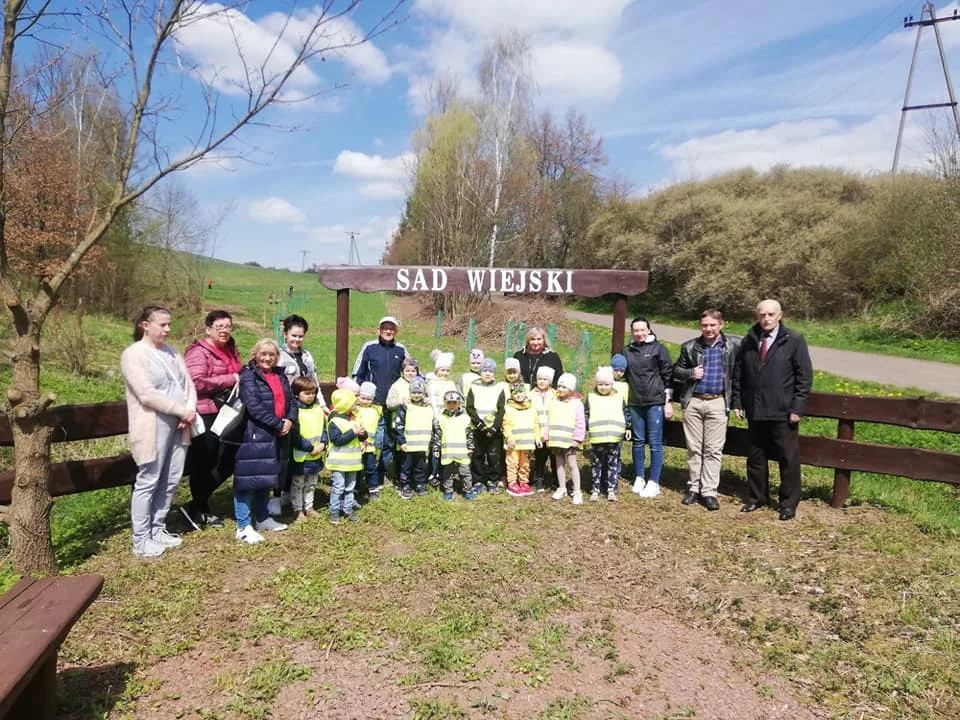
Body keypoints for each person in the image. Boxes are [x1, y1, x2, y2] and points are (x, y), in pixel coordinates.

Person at [121, 305, 198, 557]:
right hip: (153, 423)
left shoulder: (173, 352)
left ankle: (158, 527)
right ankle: (141, 538)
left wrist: (189, 410)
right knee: (150, 479)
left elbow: (188, 385)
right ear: (146, 325)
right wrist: (180, 410)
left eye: (169, 324)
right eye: (162, 324)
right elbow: (145, 393)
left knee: (171, 477)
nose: (168, 329)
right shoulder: (134, 354)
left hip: (180, 423)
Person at [732, 299, 813, 521]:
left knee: (788, 459)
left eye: (770, 314)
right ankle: (757, 497)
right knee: (756, 457)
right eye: (762, 315)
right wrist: (738, 402)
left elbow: (804, 377)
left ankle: (788, 503)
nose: (766, 319)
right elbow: (739, 374)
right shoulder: (749, 340)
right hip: (755, 410)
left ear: (780, 316)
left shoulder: (793, 340)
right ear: (757, 316)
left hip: (783, 411)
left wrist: (797, 407)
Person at [672, 309, 741, 511]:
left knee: (713, 449)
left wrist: (737, 402)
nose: (708, 329)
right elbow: (676, 371)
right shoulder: (690, 347)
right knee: (694, 448)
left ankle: (709, 491)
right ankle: (694, 488)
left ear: (721, 324)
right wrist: (690, 373)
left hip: (718, 401)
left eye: (712, 325)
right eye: (704, 325)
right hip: (694, 401)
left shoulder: (734, 345)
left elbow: (739, 375)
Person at [182, 309, 242, 530]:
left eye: (228, 326)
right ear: (208, 329)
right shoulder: (198, 352)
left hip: (227, 412)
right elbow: (194, 382)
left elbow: (239, 374)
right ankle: (199, 508)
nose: (225, 331)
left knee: (227, 460)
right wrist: (230, 379)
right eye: (220, 327)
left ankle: (198, 502)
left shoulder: (231, 349)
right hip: (205, 411)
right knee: (204, 462)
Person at [233, 339, 293, 544]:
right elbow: (254, 406)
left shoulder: (280, 375)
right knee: (246, 479)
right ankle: (243, 525)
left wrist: (289, 420)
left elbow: (291, 401)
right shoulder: (249, 376)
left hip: (276, 434)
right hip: (255, 435)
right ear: (255, 355)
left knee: (265, 478)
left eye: (272, 354)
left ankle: (262, 518)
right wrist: (278, 423)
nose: (268, 358)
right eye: (263, 354)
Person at [272, 313, 325, 515]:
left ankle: (290, 492)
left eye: (300, 336)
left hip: (305, 411)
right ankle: (277, 495)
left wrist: (322, 405)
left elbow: (315, 382)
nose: (297, 340)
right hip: (284, 411)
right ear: (285, 334)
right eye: (293, 335)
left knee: (297, 454)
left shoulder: (307, 356)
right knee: (282, 454)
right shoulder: (278, 355)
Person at [624, 317, 674, 499]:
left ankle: (654, 481)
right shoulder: (627, 350)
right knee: (638, 441)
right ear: (632, 332)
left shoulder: (659, 349)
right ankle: (639, 477)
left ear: (648, 330)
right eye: (636, 330)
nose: (639, 333)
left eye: (642, 330)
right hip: (635, 402)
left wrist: (668, 402)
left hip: (655, 402)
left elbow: (668, 376)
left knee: (655, 442)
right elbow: (623, 375)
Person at [585, 366, 630, 502]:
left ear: (611, 384)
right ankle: (595, 489)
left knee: (613, 463)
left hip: (614, 438)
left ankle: (611, 488)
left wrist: (628, 427)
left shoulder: (618, 397)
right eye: (600, 384)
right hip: (597, 438)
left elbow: (625, 413)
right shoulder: (591, 397)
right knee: (597, 464)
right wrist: (587, 426)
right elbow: (586, 414)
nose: (603, 387)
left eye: (606, 384)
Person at [289, 376, 327, 522]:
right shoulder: (295, 412)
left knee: (311, 483)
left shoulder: (318, 410)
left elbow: (324, 429)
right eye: (306, 393)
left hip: (316, 455)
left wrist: (323, 442)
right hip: (301, 455)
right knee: (298, 484)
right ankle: (297, 509)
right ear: (297, 394)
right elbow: (295, 435)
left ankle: (309, 507)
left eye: (313, 393)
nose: (311, 396)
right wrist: (309, 447)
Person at [326, 385, 367, 524]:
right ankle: (334, 511)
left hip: (353, 462)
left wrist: (362, 434)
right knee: (338, 487)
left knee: (350, 487)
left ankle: (348, 509)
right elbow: (337, 440)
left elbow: (361, 438)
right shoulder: (334, 422)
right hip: (339, 462)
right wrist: (353, 433)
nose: (356, 405)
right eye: (353, 403)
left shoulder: (353, 420)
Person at [466, 358, 506, 493]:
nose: (487, 374)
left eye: (490, 371)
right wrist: (480, 425)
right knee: (477, 455)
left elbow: (501, 409)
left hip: (494, 429)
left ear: (494, 373)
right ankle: (477, 480)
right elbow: (470, 407)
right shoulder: (474, 387)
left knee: (494, 456)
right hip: (478, 428)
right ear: (480, 373)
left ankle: (492, 479)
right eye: (484, 371)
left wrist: (495, 427)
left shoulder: (499, 388)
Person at [547, 373, 586, 505]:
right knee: (559, 464)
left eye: (564, 387)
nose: (561, 389)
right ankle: (562, 487)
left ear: (571, 389)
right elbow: (548, 420)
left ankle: (577, 491)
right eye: (559, 386)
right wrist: (547, 436)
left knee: (572, 464)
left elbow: (581, 423)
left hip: (569, 440)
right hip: (556, 440)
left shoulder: (577, 404)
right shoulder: (553, 402)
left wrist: (578, 438)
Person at [352, 316, 407, 406]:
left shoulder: (401, 349)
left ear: (396, 332)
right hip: (372, 401)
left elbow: (411, 370)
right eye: (385, 328)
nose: (388, 331)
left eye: (392, 329)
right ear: (379, 330)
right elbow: (358, 373)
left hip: (394, 401)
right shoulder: (369, 347)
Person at [432, 390, 477, 501]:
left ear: (459, 404)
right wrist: (436, 448)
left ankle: (468, 490)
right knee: (447, 473)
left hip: (463, 452)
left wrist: (471, 447)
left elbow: (469, 434)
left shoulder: (466, 418)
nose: (451, 405)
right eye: (449, 403)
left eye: (454, 403)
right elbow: (437, 435)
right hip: (447, 452)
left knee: (465, 472)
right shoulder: (440, 418)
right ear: (445, 404)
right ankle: (448, 491)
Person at [394, 376, 434, 499]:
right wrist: (402, 442)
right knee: (406, 466)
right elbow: (399, 425)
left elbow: (432, 423)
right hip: (408, 445)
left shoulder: (427, 407)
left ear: (424, 393)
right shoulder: (405, 407)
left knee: (420, 466)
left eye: (419, 392)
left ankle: (420, 484)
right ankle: (404, 485)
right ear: (410, 393)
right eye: (414, 392)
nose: (416, 395)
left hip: (421, 445)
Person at [503, 383, 539, 497]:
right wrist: (509, 437)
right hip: (513, 442)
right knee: (512, 463)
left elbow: (536, 423)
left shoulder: (531, 407)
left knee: (525, 463)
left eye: (521, 392)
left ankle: (524, 482)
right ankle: (512, 483)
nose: (519, 395)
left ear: (525, 393)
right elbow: (506, 424)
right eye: (515, 393)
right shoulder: (508, 408)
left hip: (527, 442)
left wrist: (537, 437)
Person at [530, 366, 558, 493]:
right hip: (538, 431)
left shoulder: (555, 394)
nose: (542, 381)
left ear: (550, 381)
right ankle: (539, 478)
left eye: (545, 379)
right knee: (540, 457)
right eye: (539, 378)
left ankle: (556, 479)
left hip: (552, 432)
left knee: (554, 457)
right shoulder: (530, 394)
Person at [356, 381, 383, 499]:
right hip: (357, 445)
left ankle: (373, 488)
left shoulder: (377, 411)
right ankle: (355, 488)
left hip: (371, 446)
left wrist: (378, 441)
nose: (365, 401)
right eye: (363, 398)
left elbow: (380, 427)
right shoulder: (355, 410)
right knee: (356, 468)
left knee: (371, 467)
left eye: (368, 399)